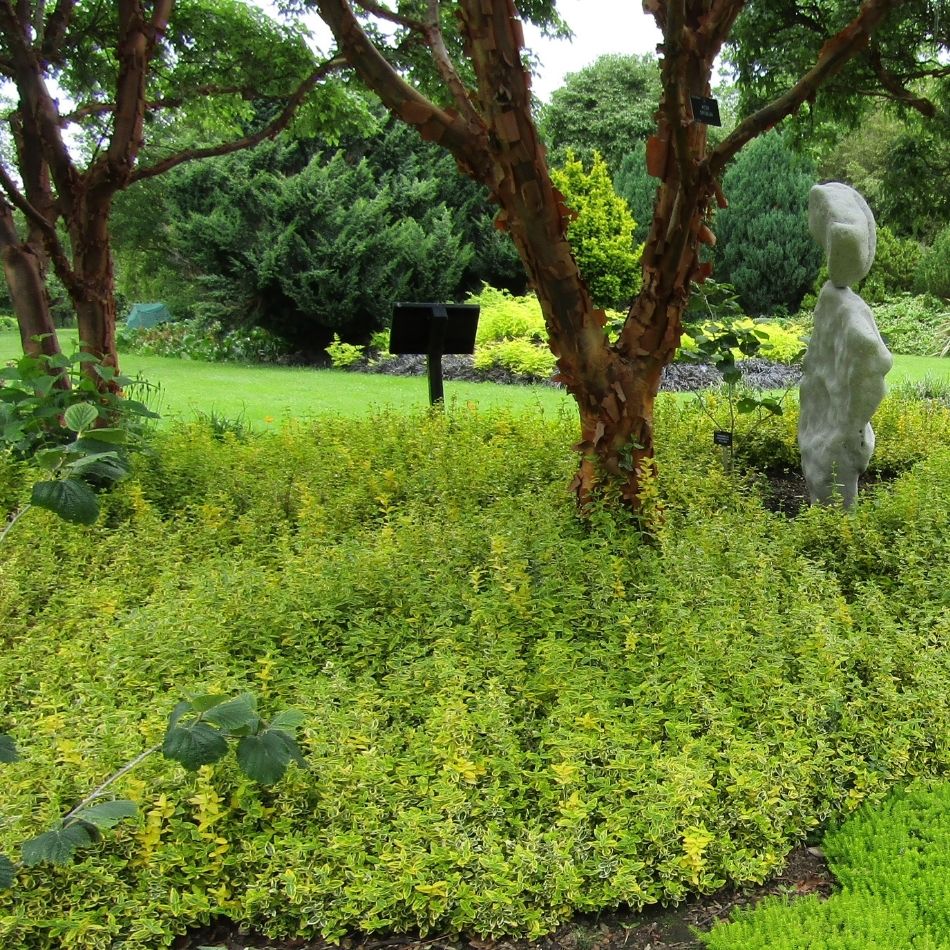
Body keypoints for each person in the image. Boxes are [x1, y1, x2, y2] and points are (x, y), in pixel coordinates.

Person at [798, 182, 892, 509]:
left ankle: (835, 542)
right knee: (825, 484)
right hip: (830, 435)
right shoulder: (835, 302)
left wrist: (849, 428)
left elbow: (873, 360)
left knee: (833, 494)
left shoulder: (846, 309)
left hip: (839, 438)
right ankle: (831, 538)